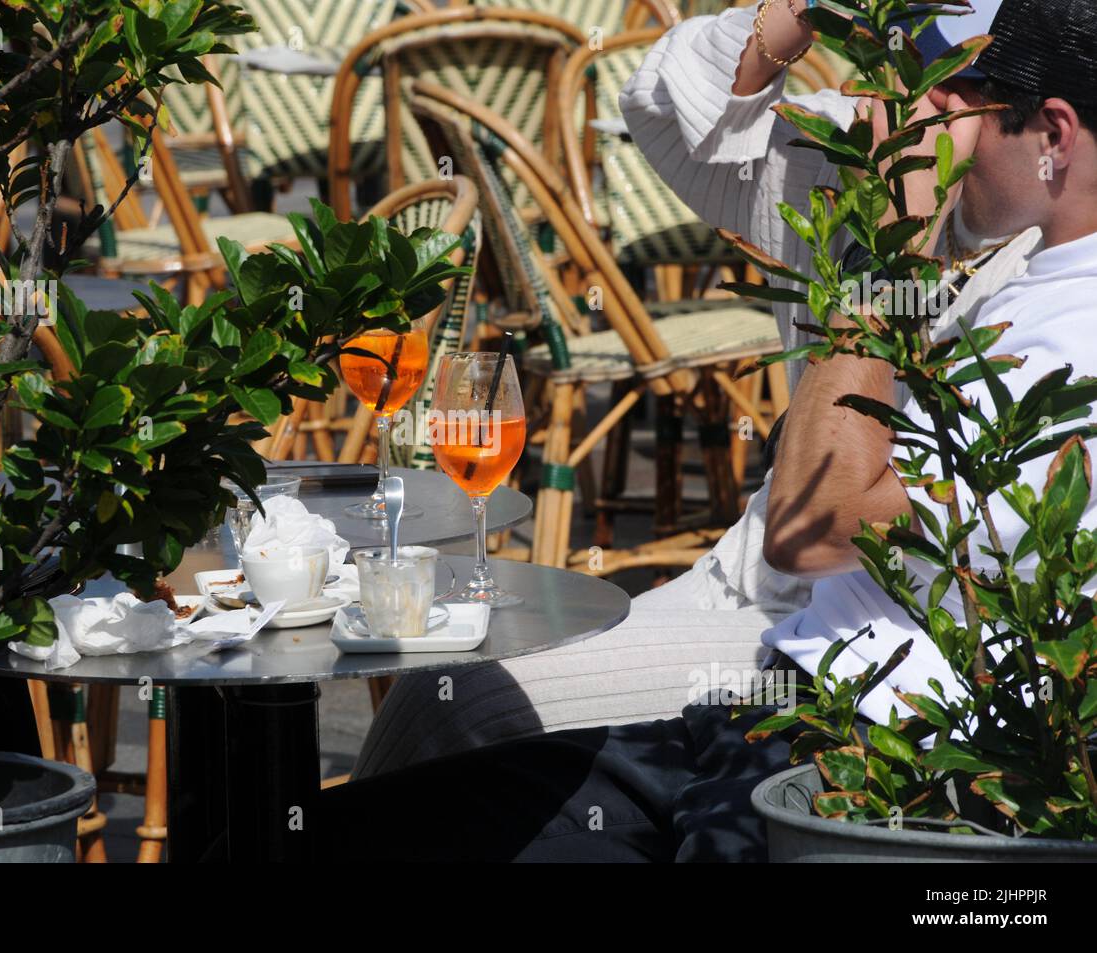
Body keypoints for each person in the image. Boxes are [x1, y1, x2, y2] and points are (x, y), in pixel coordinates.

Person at [319, 0, 1097, 861]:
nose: (919, 110)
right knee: (441, 708)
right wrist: (799, 15)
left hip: (820, 650)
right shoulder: (872, 164)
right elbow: (664, 109)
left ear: (1051, 130)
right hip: (770, 608)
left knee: (469, 707)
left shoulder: (1051, 284)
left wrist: (887, 255)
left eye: (956, 88)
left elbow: (825, 529)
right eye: (911, 75)